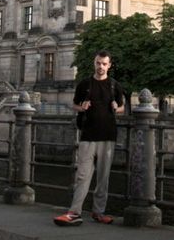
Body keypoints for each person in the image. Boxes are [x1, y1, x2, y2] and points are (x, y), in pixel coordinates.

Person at [53, 50, 124, 226]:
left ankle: (98, 212)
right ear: (95, 63)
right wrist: (82, 107)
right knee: (82, 176)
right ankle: (74, 212)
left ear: (109, 65)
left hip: (108, 136)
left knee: (103, 177)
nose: (101, 66)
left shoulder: (115, 86)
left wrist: (117, 107)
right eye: (98, 63)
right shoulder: (84, 84)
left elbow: (123, 109)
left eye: (104, 63)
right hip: (87, 135)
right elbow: (74, 105)